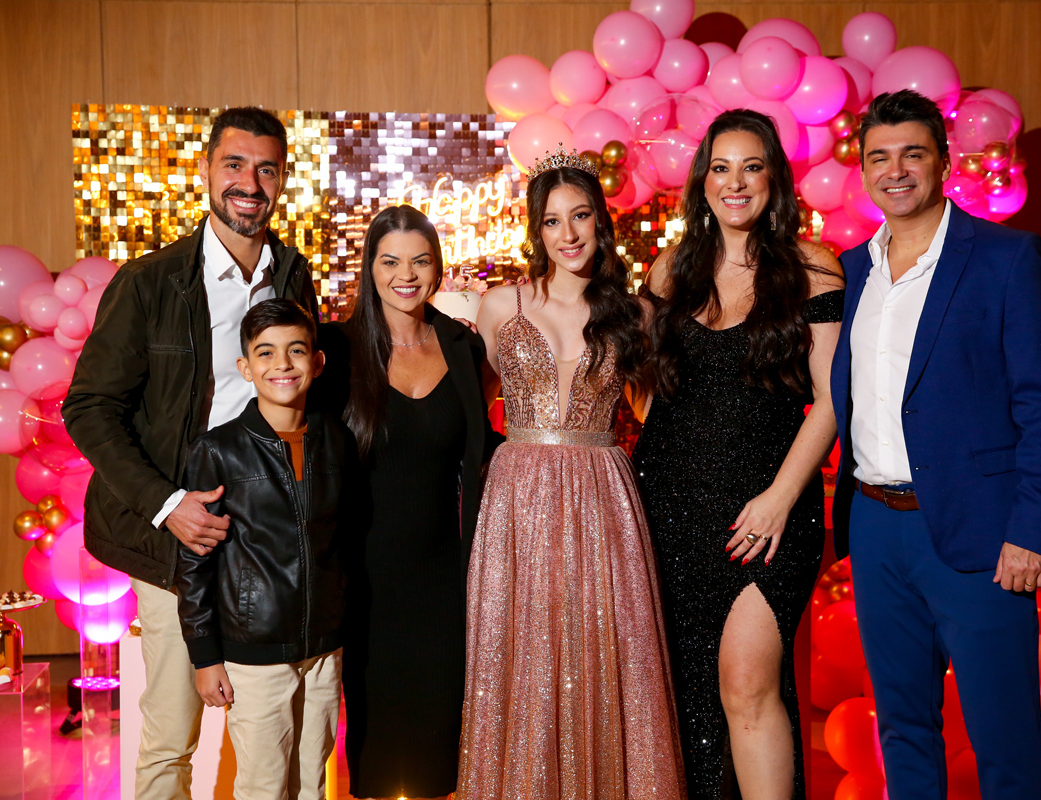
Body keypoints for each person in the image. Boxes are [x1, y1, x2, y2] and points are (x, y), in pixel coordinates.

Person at [63, 107, 318, 800]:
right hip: (178, 533)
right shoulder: (150, 281)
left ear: (282, 180)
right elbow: (89, 407)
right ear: (206, 170)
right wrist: (168, 504)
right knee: (172, 735)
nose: (250, 184)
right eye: (234, 165)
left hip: (267, 539)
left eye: (267, 169)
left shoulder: (293, 275)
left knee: (274, 738)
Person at [830, 90, 1041, 798]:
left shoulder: (1006, 258)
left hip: (983, 534)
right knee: (903, 727)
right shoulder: (851, 271)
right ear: (864, 170)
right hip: (876, 527)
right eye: (880, 157)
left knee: (1004, 736)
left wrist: (1030, 532)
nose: (895, 170)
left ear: (943, 162)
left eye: (913, 153)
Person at [456, 148, 685, 799]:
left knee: (601, 646)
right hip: (518, 493)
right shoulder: (499, 305)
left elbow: (658, 412)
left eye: (580, 215)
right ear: (537, 230)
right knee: (522, 646)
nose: (569, 234)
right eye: (552, 221)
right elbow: (468, 408)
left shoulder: (634, 315)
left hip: (602, 491)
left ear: (600, 221)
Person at [633, 109, 844, 800]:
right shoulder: (671, 270)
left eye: (751, 167)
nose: (735, 182)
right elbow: (638, 381)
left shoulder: (812, 267)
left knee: (748, 686)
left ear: (773, 179)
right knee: (687, 693)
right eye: (721, 168)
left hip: (767, 510)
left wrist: (780, 498)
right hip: (670, 507)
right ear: (701, 182)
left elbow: (832, 400)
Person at [337, 205, 495, 800]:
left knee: (439, 747)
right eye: (390, 261)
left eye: (420, 261)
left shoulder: (463, 345)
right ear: (369, 268)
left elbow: (485, 447)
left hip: (445, 578)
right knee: (376, 755)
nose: (406, 275)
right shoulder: (338, 351)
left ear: (438, 267)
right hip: (365, 581)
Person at [174, 299, 349, 800]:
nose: (282, 364)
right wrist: (205, 656)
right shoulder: (217, 450)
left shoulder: (337, 440)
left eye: (296, 350)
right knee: (264, 787)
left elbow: (344, 539)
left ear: (317, 362)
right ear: (246, 367)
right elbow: (194, 564)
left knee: (312, 783)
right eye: (266, 353)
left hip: (324, 648)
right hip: (255, 653)